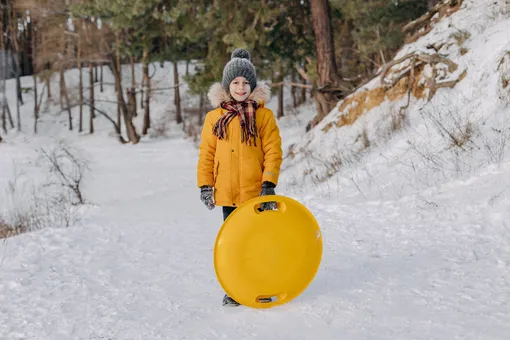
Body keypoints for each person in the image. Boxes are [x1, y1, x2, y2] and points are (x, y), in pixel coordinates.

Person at [196, 48, 283, 307]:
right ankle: (235, 289)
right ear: (227, 86)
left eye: (246, 82)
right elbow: (207, 154)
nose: (241, 87)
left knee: (259, 244)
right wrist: (205, 185)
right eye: (235, 82)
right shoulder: (214, 118)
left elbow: (273, 150)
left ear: (252, 85)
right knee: (234, 246)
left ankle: (263, 285)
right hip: (228, 194)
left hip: (257, 193)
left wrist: (268, 184)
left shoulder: (263, 116)